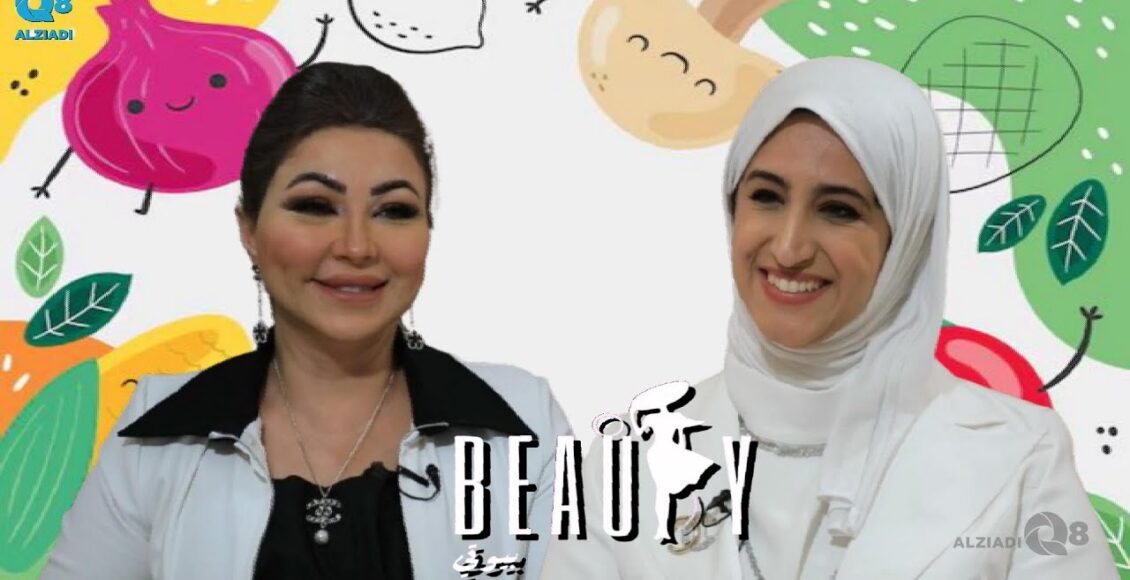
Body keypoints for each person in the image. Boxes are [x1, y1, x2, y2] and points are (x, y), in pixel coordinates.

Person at [540, 57, 1119, 580]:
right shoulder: (627, 462)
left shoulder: (1018, 457)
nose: (789, 248)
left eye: (838, 210)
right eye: (766, 197)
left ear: (905, 238)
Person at [42, 62, 572, 580]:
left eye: (394, 211)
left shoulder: (527, 420)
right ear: (249, 228)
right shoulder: (155, 434)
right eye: (316, 205)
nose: (357, 247)